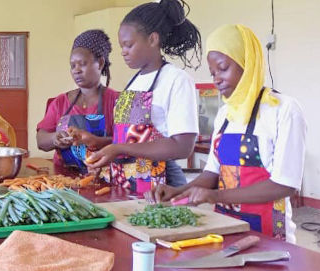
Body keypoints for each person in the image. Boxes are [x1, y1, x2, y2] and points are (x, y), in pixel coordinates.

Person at [148, 24, 307, 243]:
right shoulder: (225, 113)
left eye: (223, 68)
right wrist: (178, 191)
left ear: (247, 63)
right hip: (225, 229)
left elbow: (284, 185)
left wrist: (216, 196)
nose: (216, 79)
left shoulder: (283, 109)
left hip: (269, 235)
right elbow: (211, 174)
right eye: (213, 73)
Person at [86, 0, 201, 195]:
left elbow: (183, 147)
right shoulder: (135, 81)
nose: (123, 52)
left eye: (128, 45)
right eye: (121, 46)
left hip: (162, 184)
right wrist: (103, 148)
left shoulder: (176, 80)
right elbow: (128, 138)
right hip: (126, 183)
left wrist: (119, 148)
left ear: (153, 39)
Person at [36, 29, 120, 173]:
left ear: (100, 63)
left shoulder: (117, 101)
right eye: (72, 65)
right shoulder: (60, 102)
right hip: (64, 178)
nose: (76, 70)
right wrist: (55, 138)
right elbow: (41, 140)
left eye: (82, 64)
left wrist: (96, 141)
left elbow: (129, 144)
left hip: (104, 179)